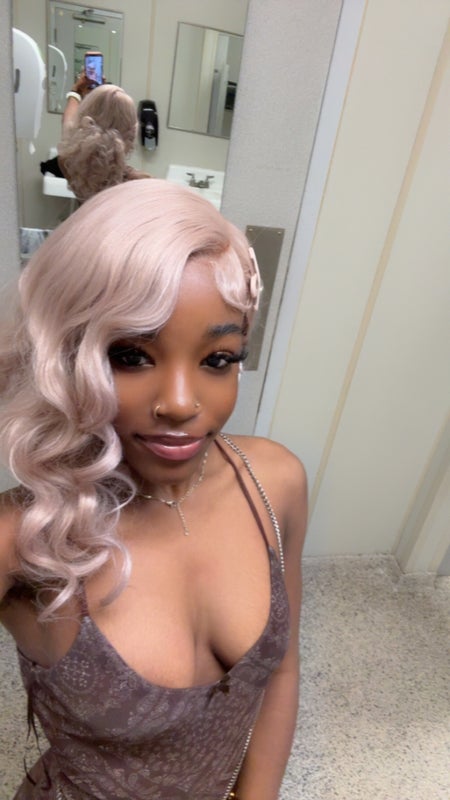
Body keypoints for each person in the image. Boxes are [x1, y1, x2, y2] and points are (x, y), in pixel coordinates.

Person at [0, 179, 308, 800]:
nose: (181, 403)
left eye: (218, 359)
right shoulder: (24, 537)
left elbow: (281, 670)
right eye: (131, 355)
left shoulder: (275, 483)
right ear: (68, 355)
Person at [41, 72, 150, 202]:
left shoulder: (69, 165)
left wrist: (76, 91)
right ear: (132, 134)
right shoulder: (139, 184)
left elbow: (68, 122)